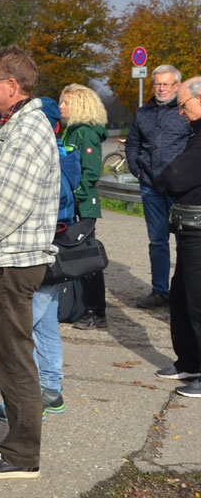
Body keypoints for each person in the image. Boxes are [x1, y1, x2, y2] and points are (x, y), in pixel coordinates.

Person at [0, 46, 59, 479]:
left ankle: (23, 455)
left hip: (11, 262)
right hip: (2, 261)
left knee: (12, 361)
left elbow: (4, 210)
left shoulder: (28, 132)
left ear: (11, 85)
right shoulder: (15, 125)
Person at [126, 65, 191, 309]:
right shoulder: (143, 113)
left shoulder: (187, 111)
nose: (161, 89)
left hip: (181, 188)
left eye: (166, 84)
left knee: (187, 242)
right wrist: (137, 169)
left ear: (177, 86)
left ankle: (185, 294)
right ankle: (160, 291)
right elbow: (132, 143)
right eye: (157, 84)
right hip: (151, 185)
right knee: (157, 241)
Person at [156, 75, 201, 396]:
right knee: (182, 296)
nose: (180, 113)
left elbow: (174, 175)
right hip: (189, 229)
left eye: (183, 105)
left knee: (197, 302)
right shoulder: (195, 133)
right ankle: (189, 360)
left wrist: (169, 173)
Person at [60, 84, 110, 330]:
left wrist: (75, 195)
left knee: (88, 259)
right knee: (73, 257)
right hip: (75, 204)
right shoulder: (71, 132)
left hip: (83, 206)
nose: (61, 107)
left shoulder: (86, 133)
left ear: (79, 106)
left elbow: (90, 171)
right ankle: (78, 305)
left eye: (65, 103)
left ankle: (96, 312)